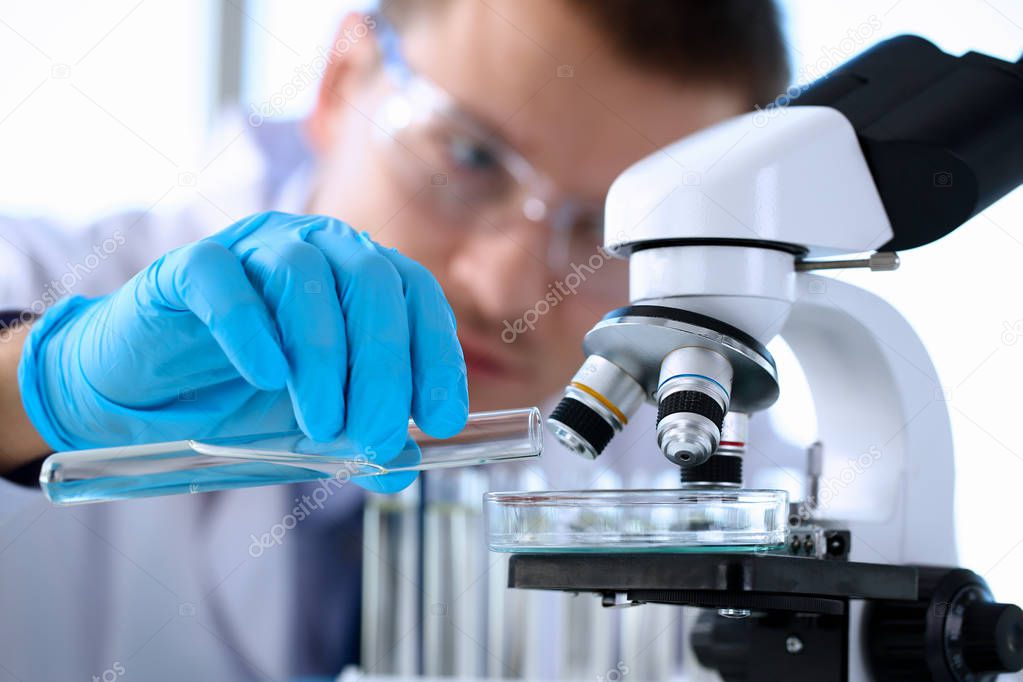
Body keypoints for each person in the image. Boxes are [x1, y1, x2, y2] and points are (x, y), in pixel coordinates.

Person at [0, 0, 790, 679]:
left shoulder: (698, 469)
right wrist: (30, 391)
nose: (504, 289)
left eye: (611, 233)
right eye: (470, 156)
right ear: (342, 83)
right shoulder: (33, 277)